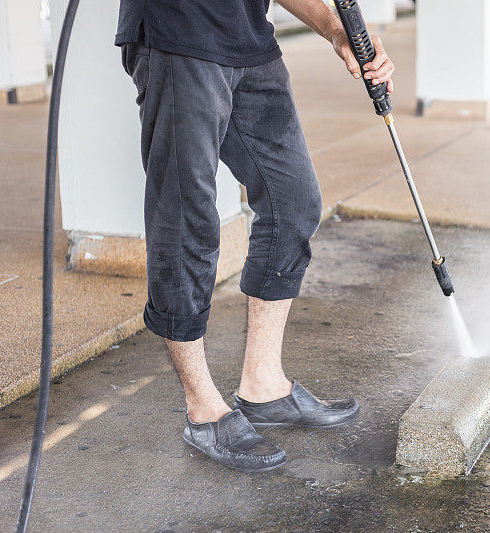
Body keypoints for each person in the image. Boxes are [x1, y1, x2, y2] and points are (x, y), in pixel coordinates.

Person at [115, 0, 395, 473]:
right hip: (178, 34)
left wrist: (334, 28)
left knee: (295, 203)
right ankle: (203, 409)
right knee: (187, 222)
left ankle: (263, 386)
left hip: (247, 39)